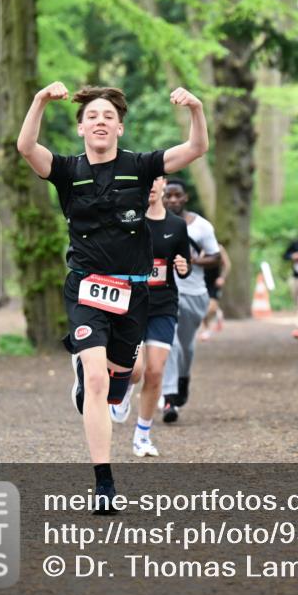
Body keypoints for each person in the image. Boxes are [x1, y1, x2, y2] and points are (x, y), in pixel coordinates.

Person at [17, 81, 208, 513]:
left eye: (108, 117)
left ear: (119, 128)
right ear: (82, 128)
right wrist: (39, 101)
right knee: (98, 382)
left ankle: (101, 385)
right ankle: (104, 484)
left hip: (133, 292)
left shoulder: (140, 166)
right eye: (92, 117)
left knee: (122, 381)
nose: (100, 121)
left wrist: (196, 108)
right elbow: (27, 146)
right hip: (86, 287)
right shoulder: (67, 169)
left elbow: (195, 149)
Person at [111, 175, 191, 457]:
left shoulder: (177, 226)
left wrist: (183, 266)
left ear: (162, 184)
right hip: (131, 304)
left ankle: (142, 435)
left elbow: (185, 263)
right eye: (148, 180)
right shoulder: (128, 220)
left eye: (156, 180)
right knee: (134, 370)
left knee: (155, 372)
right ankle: (121, 392)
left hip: (163, 305)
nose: (152, 186)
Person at [160, 179, 221, 423]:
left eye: (177, 196)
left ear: (185, 198)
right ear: (161, 198)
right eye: (168, 196)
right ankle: (169, 396)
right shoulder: (153, 222)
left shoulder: (202, 227)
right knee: (169, 343)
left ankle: (182, 378)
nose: (173, 200)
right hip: (165, 293)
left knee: (185, 346)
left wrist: (192, 261)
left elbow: (216, 256)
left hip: (195, 293)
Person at [199, 242, 229, 341]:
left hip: (214, 282)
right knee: (203, 307)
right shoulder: (199, 247)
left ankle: (214, 314)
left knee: (210, 308)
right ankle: (206, 328)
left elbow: (227, 265)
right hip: (201, 281)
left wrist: (222, 278)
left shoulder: (219, 248)